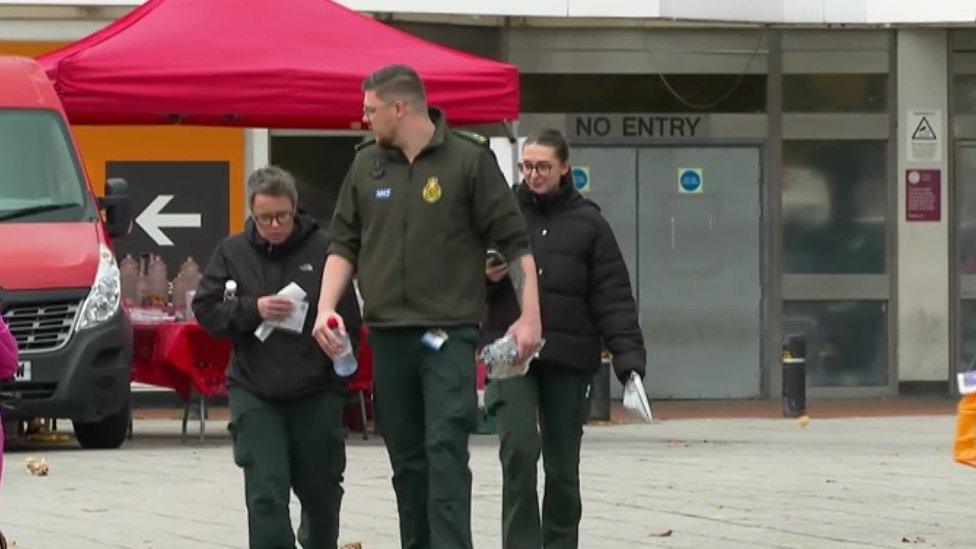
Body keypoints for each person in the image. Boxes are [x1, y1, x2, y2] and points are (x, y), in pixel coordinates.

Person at [312, 64, 542, 549]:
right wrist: (325, 307)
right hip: (389, 337)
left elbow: (515, 243)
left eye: (370, 109)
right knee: (407, 460)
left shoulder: (468, 161)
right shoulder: (365, 164)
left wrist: (529, 317)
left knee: (444, 450)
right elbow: (342, 244)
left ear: (401, 107)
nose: (363, 117)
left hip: (446, 334)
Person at [483, 129, 646, 549]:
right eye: (526, 166)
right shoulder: (501, 217)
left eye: (543, 167)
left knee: (562, 468)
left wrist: (628, 360)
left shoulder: (590, 223)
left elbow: (613, 295)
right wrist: (484, 278)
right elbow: (456, 282)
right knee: (518, 452)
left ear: (565, 168)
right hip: (511, 352)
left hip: (569, 355)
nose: (533, 175)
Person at [192, 166, 361, 549]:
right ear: (252, 214)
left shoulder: (324, 248)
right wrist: (253, 309)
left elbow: (351, 318)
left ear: (295, 209)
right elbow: (206, 311)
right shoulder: (232, 251)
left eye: (282, 216)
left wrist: (338, 370)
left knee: (321, 493)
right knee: (266, 493)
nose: (275, 225)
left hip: (315, 389)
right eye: (265, 218)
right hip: (255, 388)